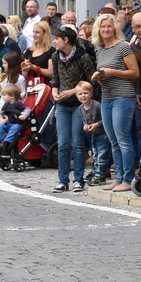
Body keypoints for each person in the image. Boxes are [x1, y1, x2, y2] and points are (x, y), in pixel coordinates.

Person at [91, 13, 140, 190]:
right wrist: (99, 77)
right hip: (106, 97)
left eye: (109, 26)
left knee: (123, 139)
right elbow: (105, 74)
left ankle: (128, 179)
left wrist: (112, 72)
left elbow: (135, 73)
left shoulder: (123, 47)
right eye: (102, 26)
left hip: (123, 97)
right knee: (113, 140)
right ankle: (118, 177)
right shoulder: (101, 51)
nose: (106, 29)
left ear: (115, 28)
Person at [48, 25, 96, 191]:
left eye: (57, 38)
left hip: (78, 105)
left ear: (66, 40)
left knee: (77, 143)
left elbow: (92, 80)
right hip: (61, 104)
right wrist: (55, 91)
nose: (54, 41)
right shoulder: (55, 56)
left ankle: (78, 179)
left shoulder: (82, 57)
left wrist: (73, 91)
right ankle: (62, 180)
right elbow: (55, 78)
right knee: (62, 143)